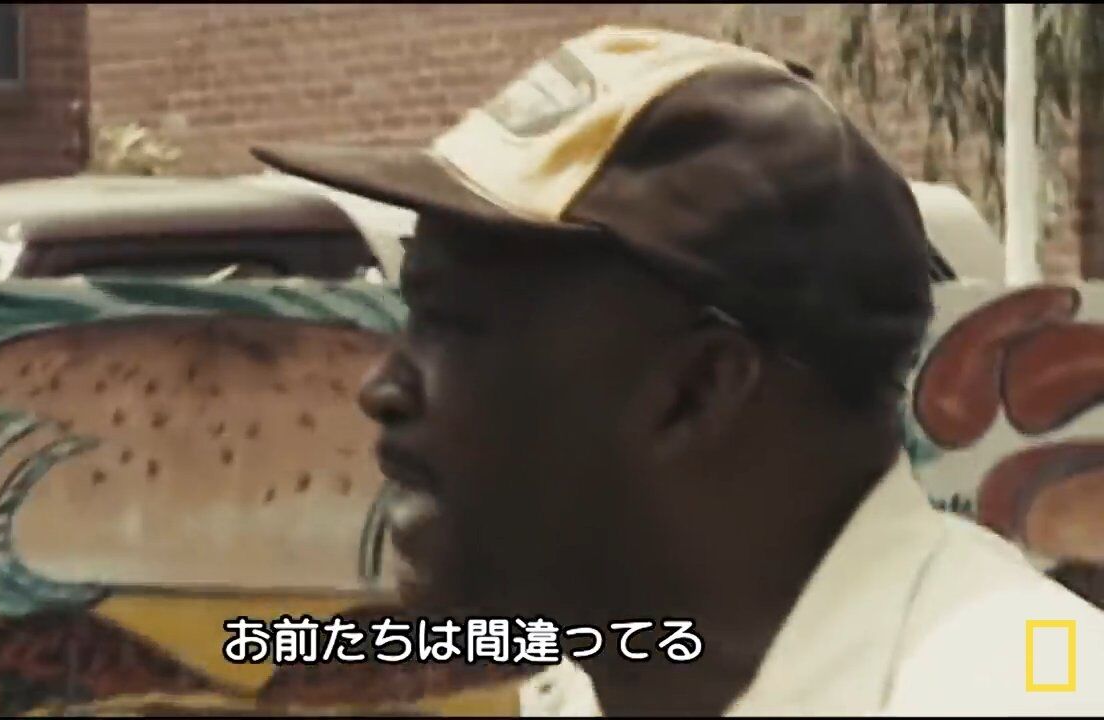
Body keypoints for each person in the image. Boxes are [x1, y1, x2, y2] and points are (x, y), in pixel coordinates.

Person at [253, 27, 1104, 716]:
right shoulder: (600, 680)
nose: (382, 388)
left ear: (698, 390)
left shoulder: (1022, 692)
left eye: (454, 323)